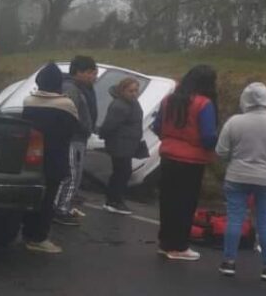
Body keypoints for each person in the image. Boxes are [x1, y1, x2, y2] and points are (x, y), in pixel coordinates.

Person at [216, 82, 266, 282]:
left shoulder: (234, 121)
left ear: (244, 100)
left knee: (235, 219)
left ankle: (228, 263)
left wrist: (236, 159)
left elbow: (221, 151)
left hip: (237, 176)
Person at [152, 64, 219, 261]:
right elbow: (208, 136)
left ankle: (165, 243)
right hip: (191, 160)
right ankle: (179, 246)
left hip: (167, 155)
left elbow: (157, 126)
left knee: (168, 201)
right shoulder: (204, 103)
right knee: (185, 203)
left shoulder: (168, 100)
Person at [20, 63, 83, 254]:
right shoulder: (65, 105)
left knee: (33, 197)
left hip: (32, 157)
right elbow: (72, 130)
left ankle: (27, 233)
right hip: (55, 157)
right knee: (48, 199)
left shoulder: (29, 101)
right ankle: (39, 237)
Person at [54, 55, 98, 226]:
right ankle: (60, 209)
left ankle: (62, 206)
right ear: (78, 72)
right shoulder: (71, 88)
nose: (93, 77)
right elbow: (70, 114)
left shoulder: (84, 88)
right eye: (89, 73)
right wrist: (81, 128)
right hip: (73, 138)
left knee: (74, 175)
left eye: (94, 73)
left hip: (79, 138)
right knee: (71, 175)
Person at [98, 77, 143, 215]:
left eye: (136, 90)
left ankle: (114, 200)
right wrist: (103, 135)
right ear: (122, 90)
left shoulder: (133, 103)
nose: (134, 93)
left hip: (128, 143)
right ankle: (114, 201)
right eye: (131, 91)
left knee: (122, 172)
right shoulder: (119, 106)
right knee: (122, 172)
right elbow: (109, 125)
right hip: (119, 144)